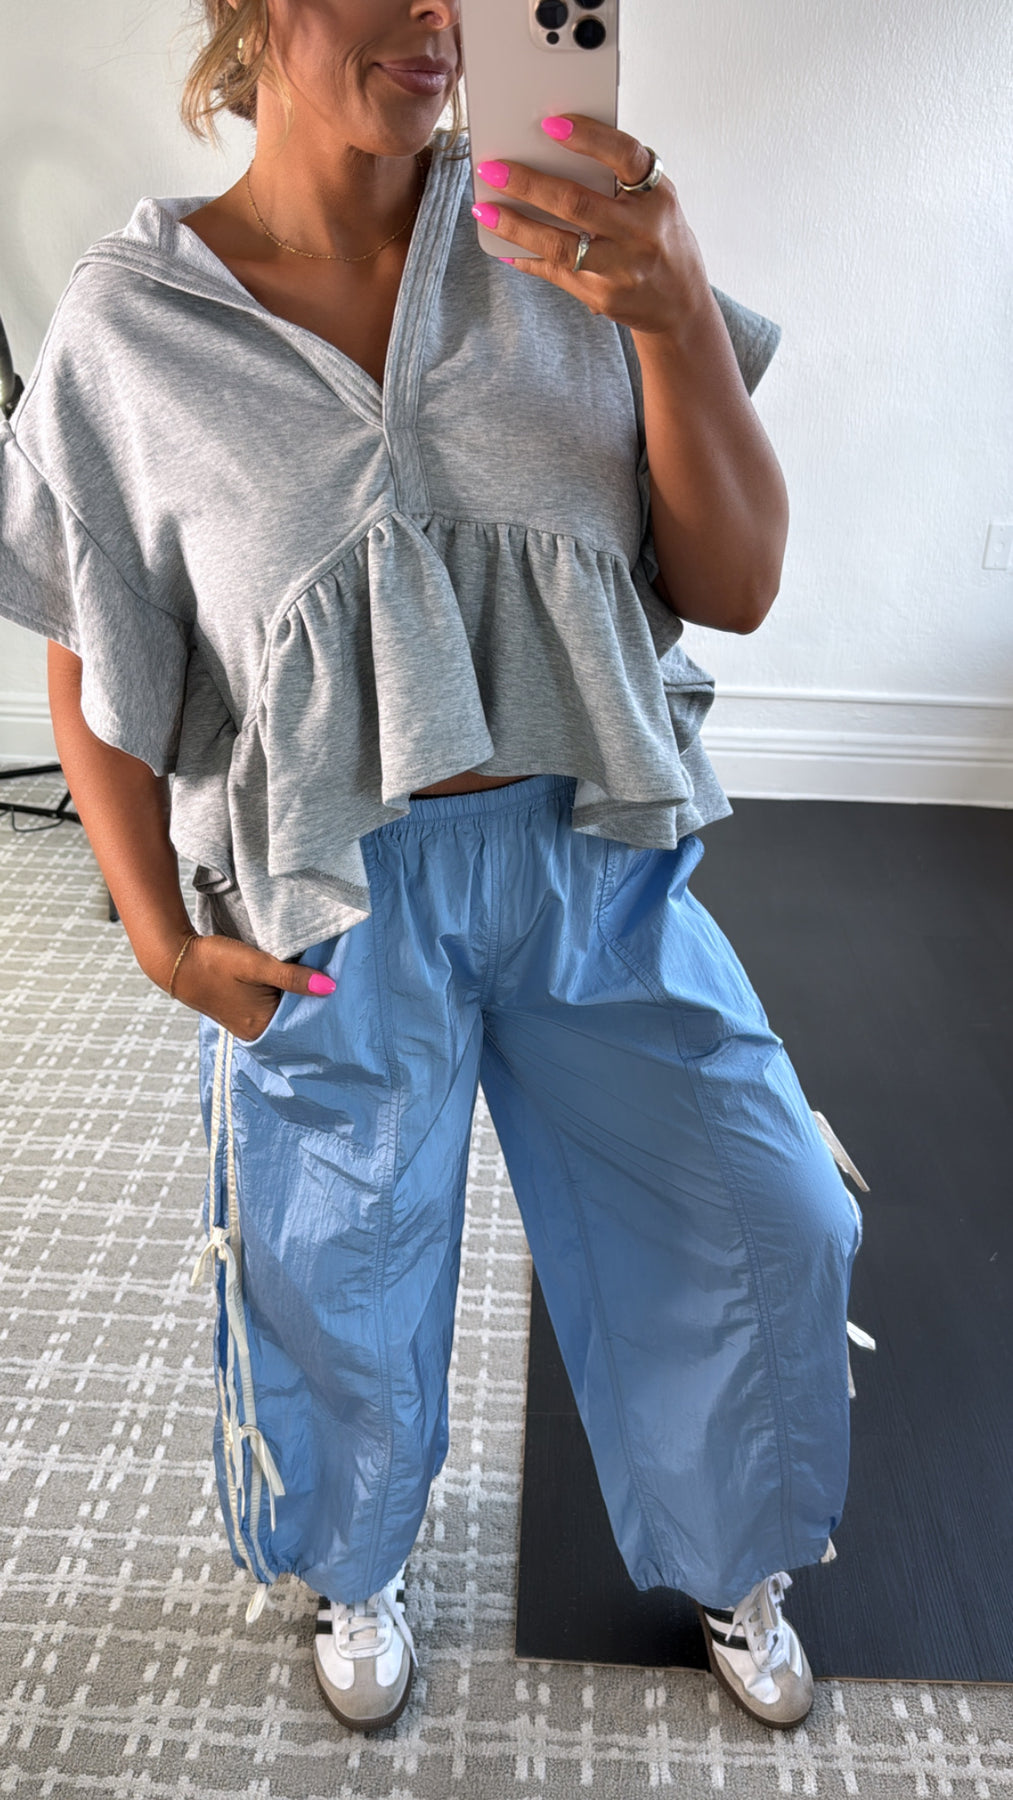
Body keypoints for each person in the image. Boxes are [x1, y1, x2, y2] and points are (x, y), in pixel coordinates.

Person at [0, 0, 866, 1738]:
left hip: (587, 858)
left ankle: (733, 1548)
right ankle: (353, 1559)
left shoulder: (569, 244)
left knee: (760, 1212)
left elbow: (737, 582)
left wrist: (672, 310)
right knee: (337, 1264)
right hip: (328, 898)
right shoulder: (132, 326)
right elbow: (92, 648)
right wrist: (160, 938)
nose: (440, 18)